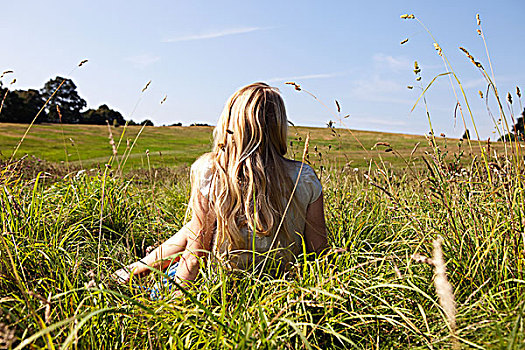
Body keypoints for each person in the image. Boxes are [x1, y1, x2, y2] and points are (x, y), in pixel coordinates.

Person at [114, 82, 328, 291]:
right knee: (194, 226)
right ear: (279, 126)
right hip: (279, 286)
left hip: (219, 286)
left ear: (231, 123)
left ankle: (128, 273)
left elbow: (196, 255)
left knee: (194, 230)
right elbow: (319, 252)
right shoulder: (304, 177)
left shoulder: (212, 171)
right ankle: (131, 271)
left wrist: (174, 304)